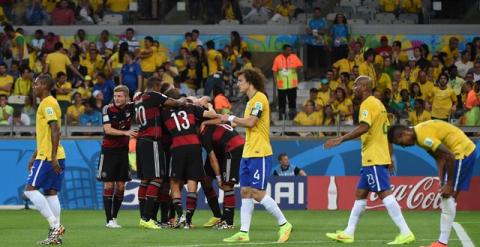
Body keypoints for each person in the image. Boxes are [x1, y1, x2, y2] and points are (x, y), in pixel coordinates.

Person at [324, 76, 415, 244]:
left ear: (364, 87)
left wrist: (340, 139)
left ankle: (405, 231)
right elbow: (387, 133)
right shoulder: (379, 105)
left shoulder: (368, 104)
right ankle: (349, 232)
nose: (353, 87)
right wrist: (389, 156)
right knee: (360, 193)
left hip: (373, 157)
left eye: (356, 84)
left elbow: (364, 127)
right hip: (374, 157)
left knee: (384, 192)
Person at [222, 68, 293, 243]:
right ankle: (243, 233)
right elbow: (248, 124)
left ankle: (284, 224)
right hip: (248, 152)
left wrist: (231, 118)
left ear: (250, 82)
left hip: (259, 153)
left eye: (240, 81)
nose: (238, 84)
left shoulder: (260, 99)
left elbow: (252, 122)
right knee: (245, 192)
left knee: (257, 192)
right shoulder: (250, 102)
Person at [388, 121, 477, 247]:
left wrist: (449, 184)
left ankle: (442, 243)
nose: (404, 146)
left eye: (401, 143)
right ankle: (442, 243)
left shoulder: (423, 136)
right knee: (447, 196)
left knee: (448, 195)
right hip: (461, 151)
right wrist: (441, 182)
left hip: (462, 152)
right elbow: (440, 158)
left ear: (404, 133)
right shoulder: (419, 137)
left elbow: (449, 156)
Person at [162, 89, 220, 229]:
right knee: (192, 182)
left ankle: (180, 216)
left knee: (174, 183)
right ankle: (188, 221)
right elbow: (212, 114)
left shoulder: (163, 113)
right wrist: (209, 106)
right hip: (194, 146)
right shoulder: (191, 108)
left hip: (178, 147)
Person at [133, 77, 186, 230]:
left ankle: (144, 217)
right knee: (157, 178)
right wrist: (184, 101)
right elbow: (174, 102)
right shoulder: (154, 96)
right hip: (152, 141)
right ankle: (146, 218)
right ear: (156, 86)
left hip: (140, 141)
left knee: (145, 180)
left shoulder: (138, 97)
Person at [24, 75, 65, 245]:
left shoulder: (47, 103)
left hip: (49, 156)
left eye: (37, 84)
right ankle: (55, 236)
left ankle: (55, 226)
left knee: (29, 190)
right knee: (50, 193)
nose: (34, 86)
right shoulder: (51, 102)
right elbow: (47, 134)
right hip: (53, 154)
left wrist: (52, 157)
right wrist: (34, 156)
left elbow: (55, 130)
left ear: (45, 86)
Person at [98, 85, 136, 228]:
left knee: (120, 187)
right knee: (109, 184)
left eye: (120, 96)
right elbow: (107, 129)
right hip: (108, 151)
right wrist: (126, 133)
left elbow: (140, 100)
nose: (117, 99)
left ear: (126, 97)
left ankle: (114, 217)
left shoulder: (130, 107)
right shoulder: (107, 109)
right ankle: (109, 221)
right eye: (115, 96)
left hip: (122, 151)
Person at [198, 121, 245, 229]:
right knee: (206, 181)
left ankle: (228, 222)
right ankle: (219, 217)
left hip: (233, 149)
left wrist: (219, 178)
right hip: (222, 148)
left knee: (227, 185)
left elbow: (212, 158)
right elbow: (233, 124)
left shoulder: (204, 135)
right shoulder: (215, 123)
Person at [272, 44, 303, 120]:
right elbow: (274, 70)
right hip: (281, 85)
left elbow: (300, 65)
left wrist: (297, 70)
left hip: (292, 84)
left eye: (290, 50)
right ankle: (281, 116)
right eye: (288, 50)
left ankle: (292, 116)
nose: (290, 51)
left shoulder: (294, 57)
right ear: (284, 50)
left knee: (292, 101)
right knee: (281, 102)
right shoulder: (277, 58)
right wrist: (276, 80)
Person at [305, 7, 328, 77]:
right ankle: (310, 74)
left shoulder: (324, 21)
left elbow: (325, 31)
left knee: (321, 59)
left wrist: (313, 31)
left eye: (318, 12)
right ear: (313, 13)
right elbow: (308, 31)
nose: (316, 14)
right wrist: (319, 31)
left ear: (320, 13)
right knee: (310, 59)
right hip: (311, 43)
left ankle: (321, 74)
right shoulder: (310, 21)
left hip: (320, 43)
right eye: (315, 12)